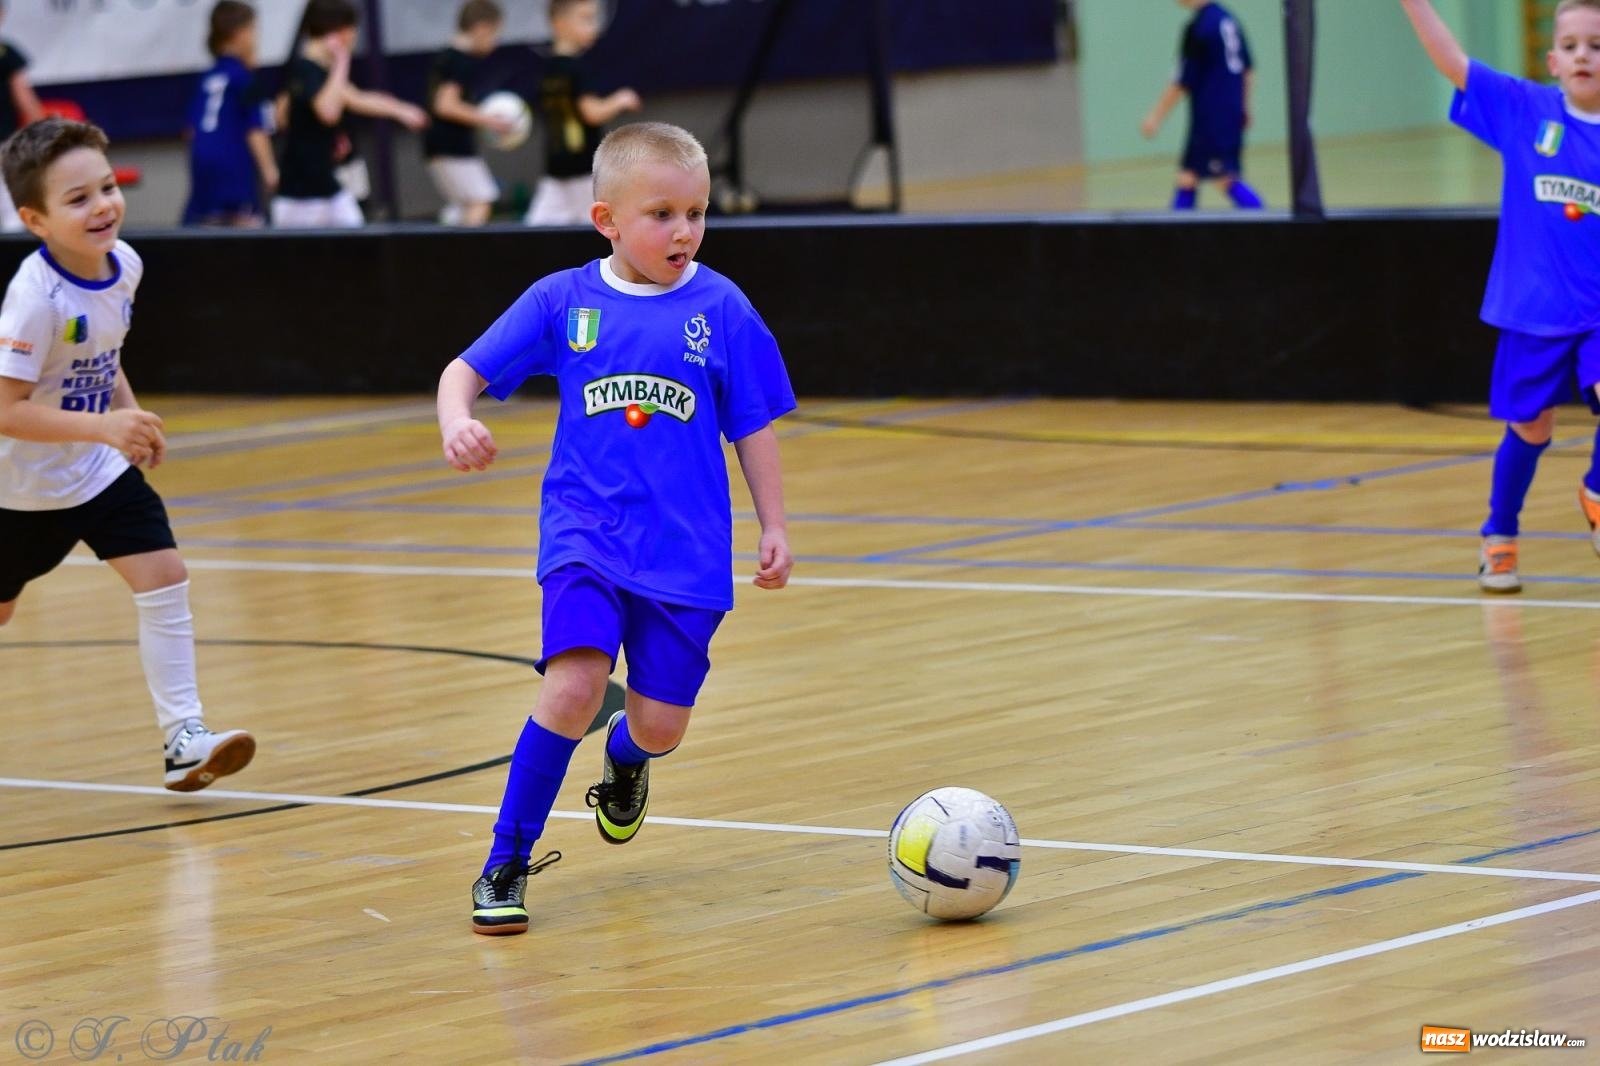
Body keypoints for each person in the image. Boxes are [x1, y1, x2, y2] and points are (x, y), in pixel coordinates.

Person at [437, 122, 796, 934]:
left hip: (687, 553)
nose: (685, 231)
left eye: (697, 212)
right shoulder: (563, 301)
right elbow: (463, 370)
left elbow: (755, 427)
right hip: (585, 534)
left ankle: (628, 760)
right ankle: (506, 857)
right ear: (606, 219)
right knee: (572, 686)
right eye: (662, 213)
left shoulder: (723, 307)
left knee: (659, 724)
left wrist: (775, 525)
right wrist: (455, 418)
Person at [0, 118, 255, 791]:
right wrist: (106, 430)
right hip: (17, 490)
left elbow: (103, 356)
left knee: (164, 573)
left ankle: (184, 739)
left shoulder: (126, 265)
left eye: (107, 187)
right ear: (35, 218)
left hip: (95, 472)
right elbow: (6, 411)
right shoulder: (33, 300)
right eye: (77, 199)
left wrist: (128, 417)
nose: (103, 205)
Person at [1401, 0, 1600, 593]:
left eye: (1596, 44)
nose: (1583, 55)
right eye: (1570, 46)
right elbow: (1452, 61)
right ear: (1552, 61)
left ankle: (1595, 490)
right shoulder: (1524, 110)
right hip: (1534, 312)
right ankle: (1499, 533)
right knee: (1531, 429)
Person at [273, 0, 428, 228]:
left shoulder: (319, 74)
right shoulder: (306, 70)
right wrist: (342, 60)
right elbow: (328, 112)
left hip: (325, 188)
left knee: (357, 243)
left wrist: (401, 110)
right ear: (342, 31)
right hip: (300, 196)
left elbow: (356, 98)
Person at [524, 0, 641, 226]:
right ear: (559, 23)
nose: (594, 26)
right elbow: (592, 113)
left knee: (536, 231)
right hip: (582, 170)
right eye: (585, 18)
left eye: (594, 18)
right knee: (598, 230)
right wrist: (620, 100)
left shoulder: (547, 68)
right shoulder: (577, 69)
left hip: (557, 168)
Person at [1140, 0, 1263, 210]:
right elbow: (1248, 69)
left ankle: (1266, 225)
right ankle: (1176, 238)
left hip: (1211, 118)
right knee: (1188, 177)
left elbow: (1181, 81)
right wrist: (1244, 106)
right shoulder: (1228, 20)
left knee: (1224, 177)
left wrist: (1156, 116)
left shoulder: (1199, 28)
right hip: (1228, 112)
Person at [183, 0, 278, 227]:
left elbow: (190, 131)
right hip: (233, 166)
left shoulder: (207, 78)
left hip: (202, 166)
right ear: (241, 34)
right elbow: (255, 128)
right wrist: (270, 170)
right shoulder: (244, 78)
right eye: (253, 31)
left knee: (205, 228)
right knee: (246, 230)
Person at [424, 0, 517, 226]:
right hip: (450, 146)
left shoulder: (448, 55)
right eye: (495, 34)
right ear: (482, 27)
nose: (495, 42)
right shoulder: (460, 61)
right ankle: (464, 259)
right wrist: (489, 120)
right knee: (481, 199)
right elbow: (445, 105)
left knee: (462, 207)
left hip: (441, 146)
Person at [0, 1, 44, 233]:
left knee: (9, 207)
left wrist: (44, 130)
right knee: (9, 209)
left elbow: (23, 94)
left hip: (4, 141)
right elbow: (22, 94)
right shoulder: (6, 52)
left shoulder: (7, 53)